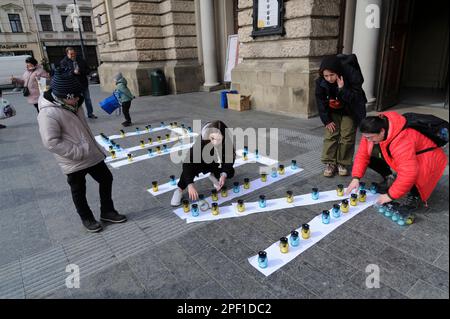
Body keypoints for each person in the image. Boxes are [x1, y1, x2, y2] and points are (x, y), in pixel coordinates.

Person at [37, 68, 127, 232]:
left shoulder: (74, 103)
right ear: (63, 97)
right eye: (75, 97)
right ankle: (86, 218)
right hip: (73, 159)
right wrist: (78, 151)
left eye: (79, 95)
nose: (79, 99)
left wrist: (87, 147)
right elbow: (51, 142)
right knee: (79, 190)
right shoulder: (48, 113)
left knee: (106, 178)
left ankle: (107, 211)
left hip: (90, 153)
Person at [345, 111, 448, 209]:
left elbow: (409, 173)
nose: (368, 140)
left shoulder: (402, 140)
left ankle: (416, 196)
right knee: (371, 155)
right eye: (366, 137)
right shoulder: (375, 127)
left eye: (370, 138)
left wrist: (389, 196)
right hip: (405, 153)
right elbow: (362, 155)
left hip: (428, 157)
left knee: (416, 175)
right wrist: (356, 178)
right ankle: (390, 178)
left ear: (382, 131)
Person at [315, 55, 367, 177]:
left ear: (338, 72)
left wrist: (342, 89)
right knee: (331, 134)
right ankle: (330, 162)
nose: (329, 78)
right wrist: (326, 120)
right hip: (333, 111)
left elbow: (356, 99)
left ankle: (342, 163)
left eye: (332, 75)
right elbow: (320, 101)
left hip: (350, 109)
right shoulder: (321, 81)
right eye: (326, 76)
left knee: (347, 136)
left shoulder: (352, 76)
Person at [171, 121, 236, 206]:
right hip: (201, 162)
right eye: (212, 138)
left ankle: (215, 175)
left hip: (215, 161)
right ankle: (179, 189)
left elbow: (230, 158)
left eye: (219, 139)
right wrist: (190, 184)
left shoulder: (227, 141)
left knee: (230, 172)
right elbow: (187, 164)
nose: (215, 142)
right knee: (190, 169)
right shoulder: (201, 141)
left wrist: (223, 174)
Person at [60, 47, 97, 119]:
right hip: (73, 85)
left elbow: (88, 70)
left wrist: (81, 71)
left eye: (74, 53)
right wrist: (73, 72)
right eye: (71, 54)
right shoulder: (64, 62)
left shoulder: (81, 60)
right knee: (75, 101)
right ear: (67, 54)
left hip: (83, 83)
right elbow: (64, 74)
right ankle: (78, 115)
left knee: (87, 99)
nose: (73, 55)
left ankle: (90, 113)